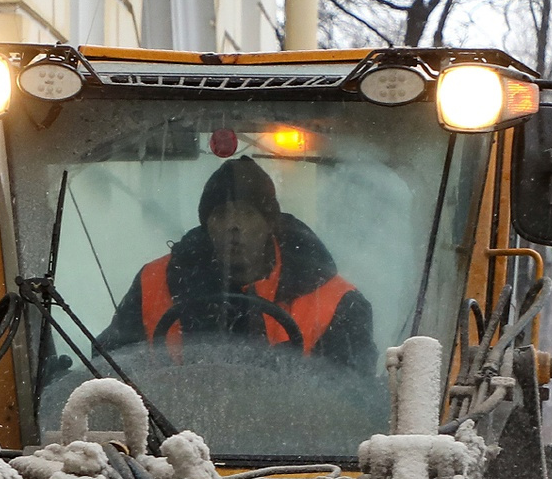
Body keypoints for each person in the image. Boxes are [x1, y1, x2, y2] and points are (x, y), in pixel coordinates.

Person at [93, 157, 375, 371]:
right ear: (207, 226)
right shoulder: (153, 283)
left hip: (297, 443)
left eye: (246, 213)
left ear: (270, 223)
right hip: (170, 441)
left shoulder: (336, 301)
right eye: (221, 214)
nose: (233, 226)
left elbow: (349, 403)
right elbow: (110, 371)